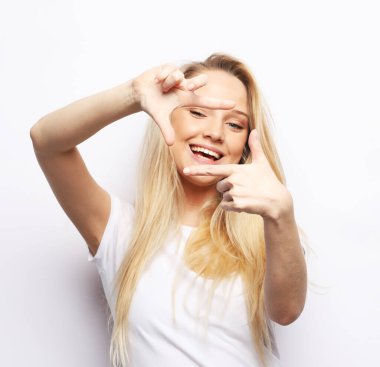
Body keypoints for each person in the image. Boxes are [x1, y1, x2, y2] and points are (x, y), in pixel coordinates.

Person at [30, 53, 307, 367]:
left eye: (234, 123)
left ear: (245, 144)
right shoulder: (120, 231)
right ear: (167, 116)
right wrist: (134, 95)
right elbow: (46, 141)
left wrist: (282, 214)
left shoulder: (267, 233)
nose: (215, 132)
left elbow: (286, 311)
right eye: (198, 112)